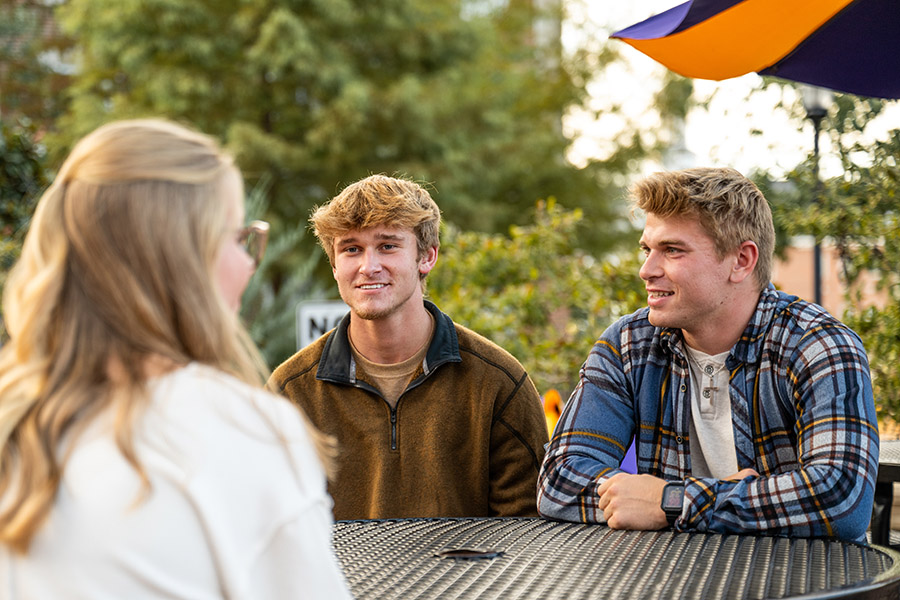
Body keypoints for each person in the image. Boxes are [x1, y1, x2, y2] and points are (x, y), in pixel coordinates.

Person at [0, 119, 352, 598]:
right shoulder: (242, 430)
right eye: (237, 238)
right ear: (182, 257)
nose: (249, 262)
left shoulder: (17, 417)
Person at [537, 167, 878, 543]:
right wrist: (707, 500)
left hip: (808, 586)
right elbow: (558, 479)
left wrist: (671, 502)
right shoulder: (629, 345)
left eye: (672, 250)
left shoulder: (817, 345)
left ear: (741, 261)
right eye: (647, 249)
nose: (645, 270)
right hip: (675, 580)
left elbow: (841, 499)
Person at [269, 174, 548, 520]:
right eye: (351, 249)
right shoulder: (291, 391)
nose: (368, 267)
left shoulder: (498, 384)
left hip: (465, 576)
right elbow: (271, 527)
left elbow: (528, 538)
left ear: (427, 257)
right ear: (334, 265)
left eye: (387, 246)